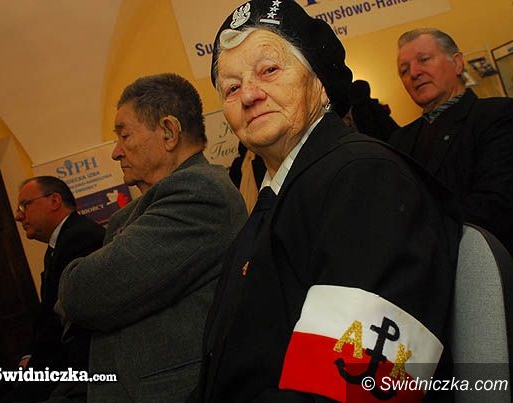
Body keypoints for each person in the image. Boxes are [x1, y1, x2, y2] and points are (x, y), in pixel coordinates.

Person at [188, 1, 460, 402]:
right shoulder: (274, 198)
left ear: (319, 82)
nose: (248, 95)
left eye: (269, 70)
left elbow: (350, 387)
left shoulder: (365, 179)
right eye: (231, 87)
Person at [56, 73, 247, 402]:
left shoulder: (199, 192)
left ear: (169, 132)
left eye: (124, 135)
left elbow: (81, 294)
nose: (116, 152)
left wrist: (76, 281)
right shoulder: (153, 203)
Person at [391, 28, 513, 299]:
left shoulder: (499, 116)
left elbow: (496, 206)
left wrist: (414, 235)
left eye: (424, 59)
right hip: (421, 289)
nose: (414, 73)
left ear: (457, 63)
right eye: (404, 70)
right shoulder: (398, 141)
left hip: (487, 280)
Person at [0, 176, 105, 403]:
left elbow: (64, 320)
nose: (18, 216)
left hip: (83, 363)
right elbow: (46, 313)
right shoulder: (58, 245)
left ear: (54, 201)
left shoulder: (79, 237)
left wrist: (34, 366)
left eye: (24, 205)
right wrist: (30, 356)